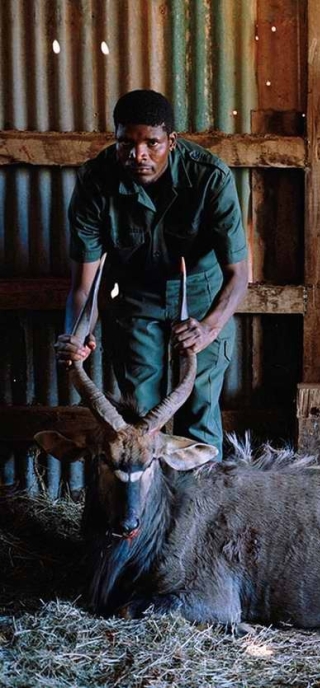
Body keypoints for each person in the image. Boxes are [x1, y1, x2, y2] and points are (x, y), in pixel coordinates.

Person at [55, 89, 248, 460]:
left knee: (200, 410)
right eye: (126, 143)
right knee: (139, 417)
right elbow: (85, 285)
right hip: (135, 297)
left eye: (151, 143)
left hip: (202, 295)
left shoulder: (210, 176)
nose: (138, 155)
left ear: (171, 141)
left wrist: (209, 327)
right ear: (115, 139)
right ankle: (142, 516)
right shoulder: (96, 181)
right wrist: (77, 335)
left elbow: (239, 274)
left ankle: (199, 514)